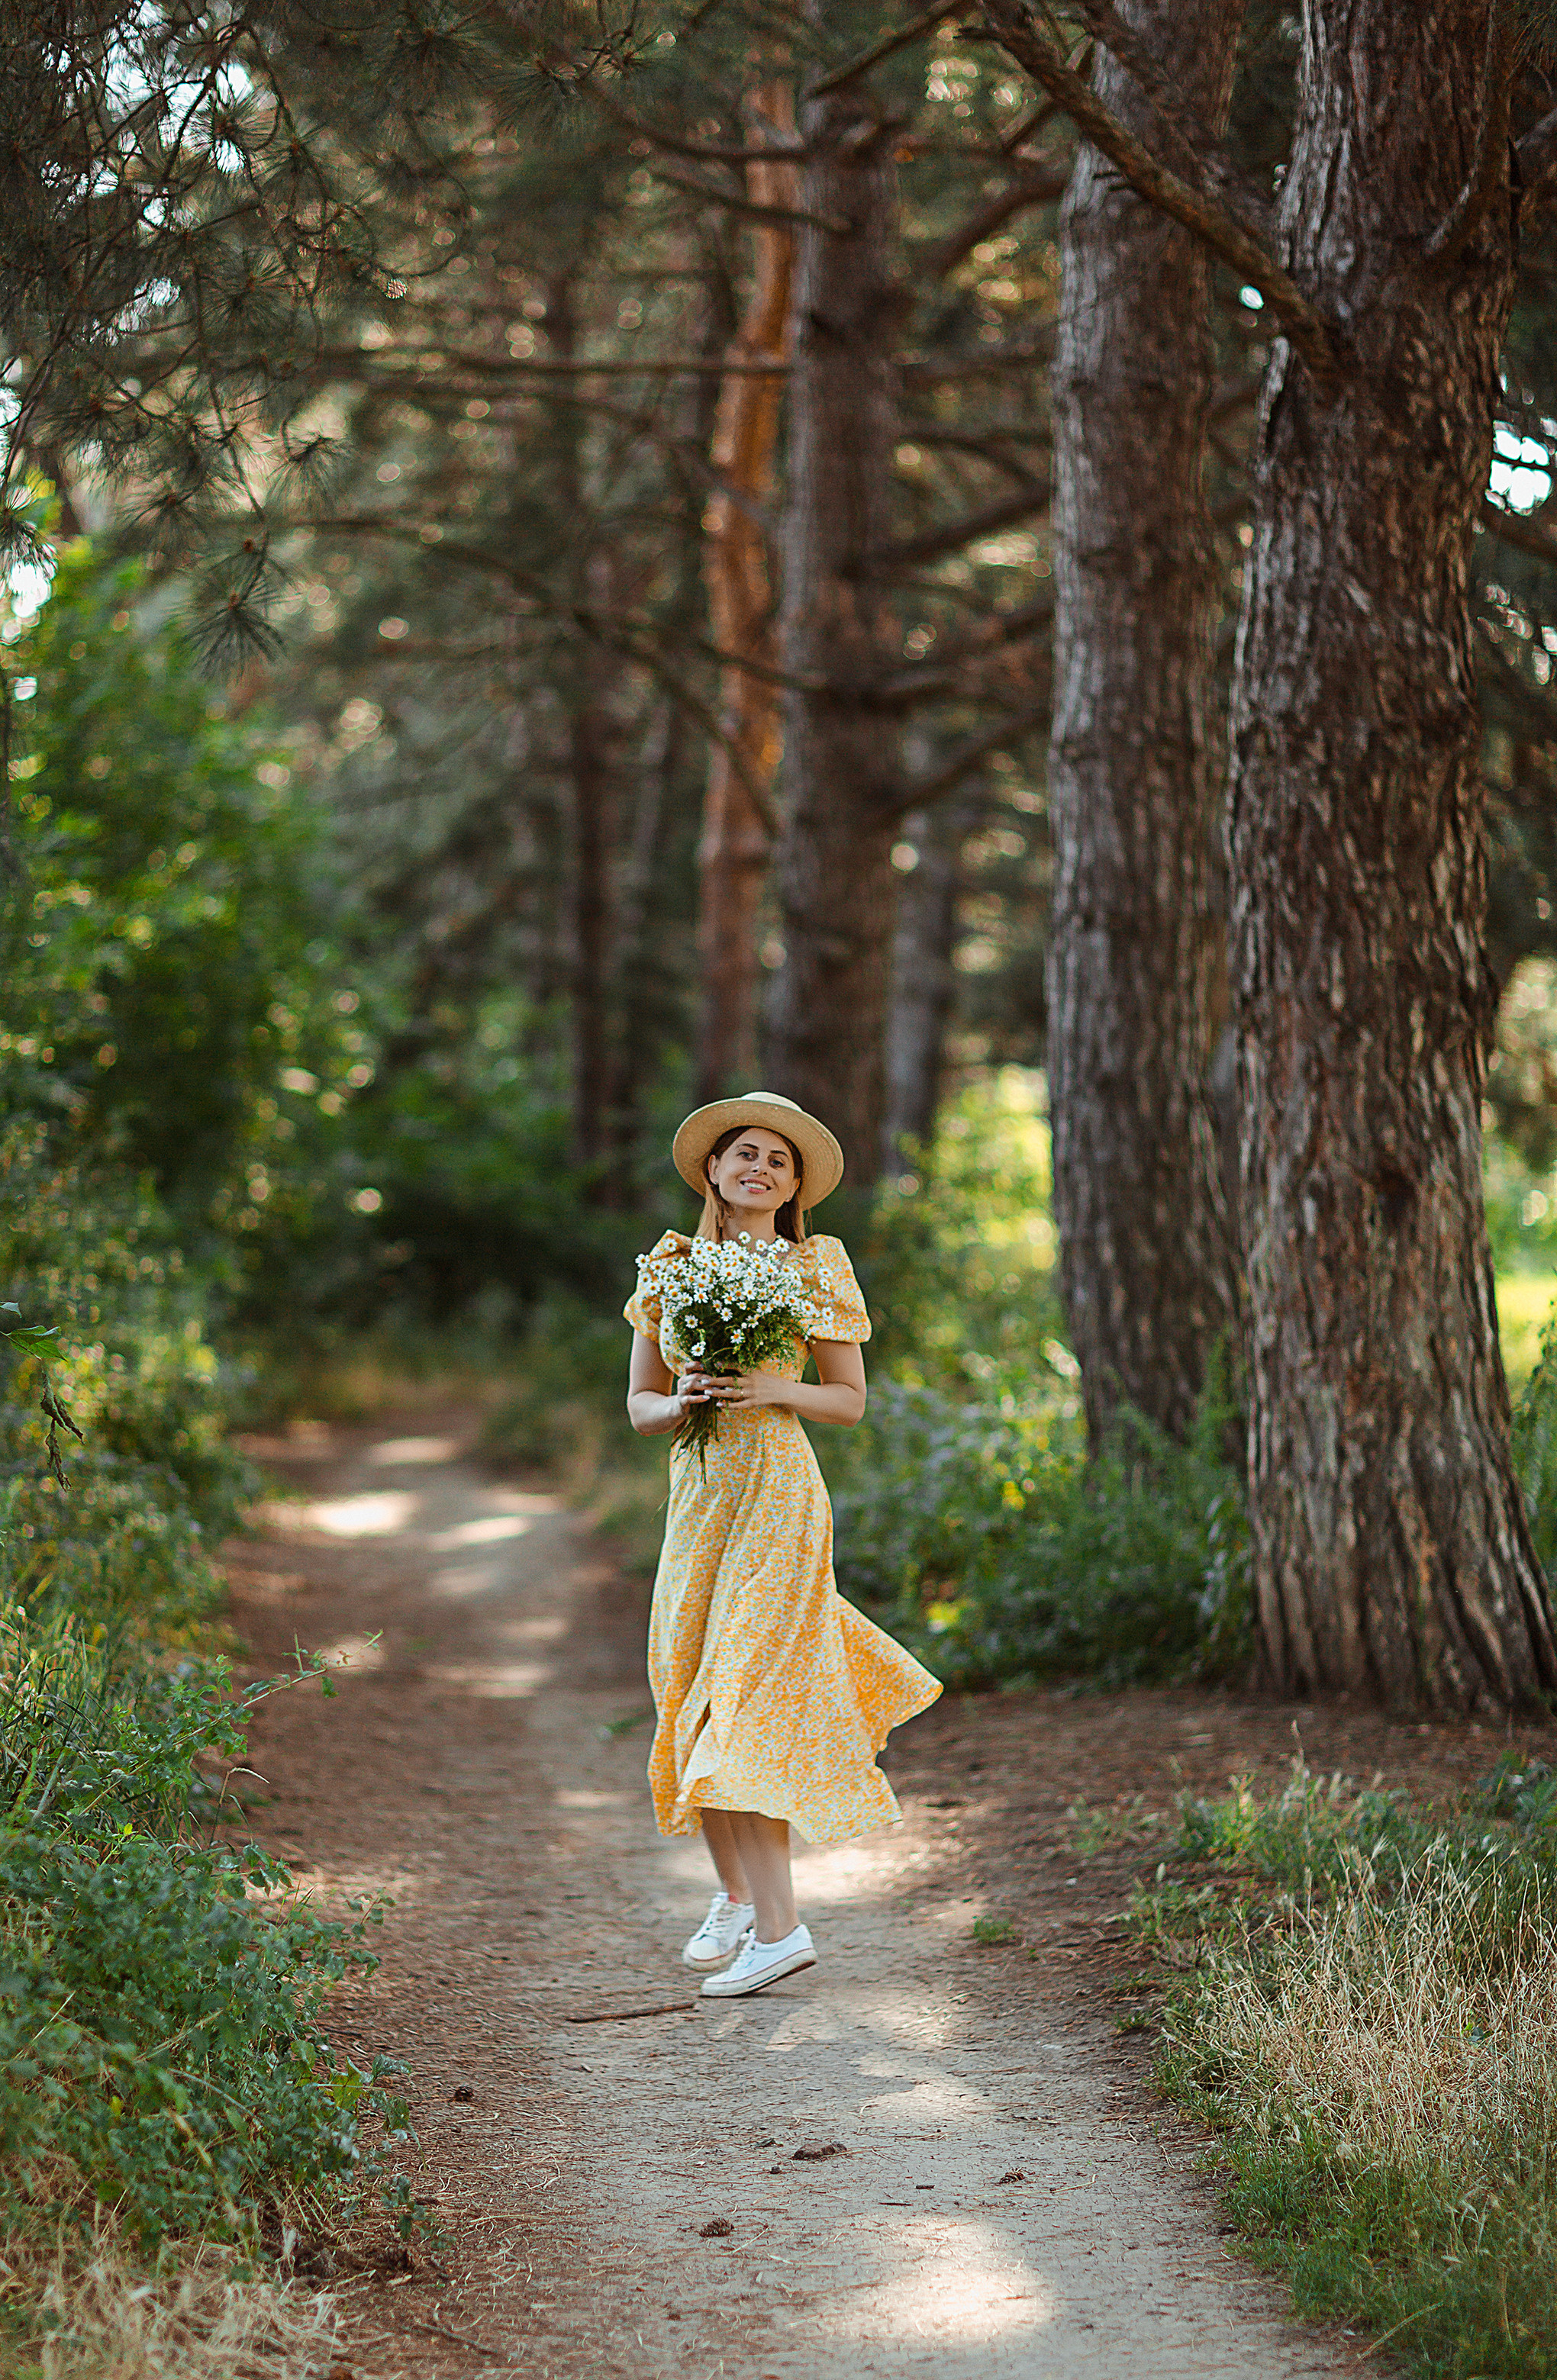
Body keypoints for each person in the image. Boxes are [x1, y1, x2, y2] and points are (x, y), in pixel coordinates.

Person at [624, 1090, 942, 1999]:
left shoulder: (814, 1265)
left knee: (746, 1697)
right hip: (699, 1499)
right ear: (714, 1170)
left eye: (780, 1160)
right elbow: (639, 1407)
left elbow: (848, 1398)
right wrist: (681, 1399)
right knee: (688, 1688)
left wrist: (772, 1387)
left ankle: (779, 1929)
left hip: (779, 1495)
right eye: (746, 1153)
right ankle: (733, 1892)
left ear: (794, 1185)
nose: (761, 1167)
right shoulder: (672, 1268)